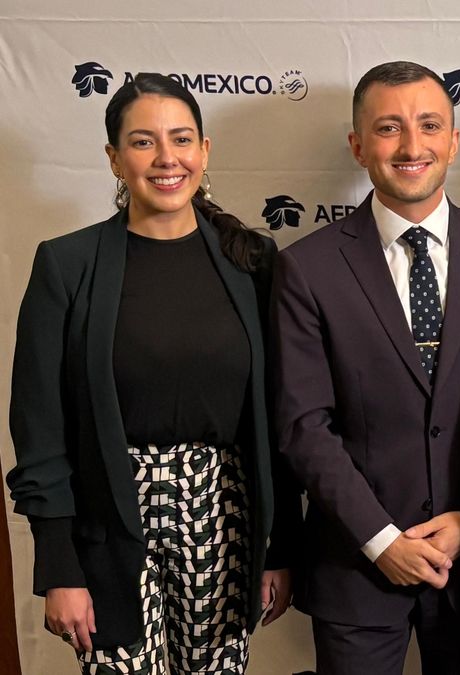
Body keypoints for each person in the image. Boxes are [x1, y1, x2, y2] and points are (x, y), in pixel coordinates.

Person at [6, 72, 299, 674]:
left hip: (227, 523)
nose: (167, 158)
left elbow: (277, 421)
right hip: (110, 526)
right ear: (114, 158)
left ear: (205, 151)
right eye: (142, 142)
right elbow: (39, 430)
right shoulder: (66, 264)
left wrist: (280, 546)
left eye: (182, 139)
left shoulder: (253, 261)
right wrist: (58, 568)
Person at [271, 61, 460, 675]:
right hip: (356, 570)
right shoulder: (307, 268)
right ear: (357, 145)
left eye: (429, 125)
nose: (411, 145)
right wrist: (382, 541)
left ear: (453, 140)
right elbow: (304, 426)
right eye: (388, 128)